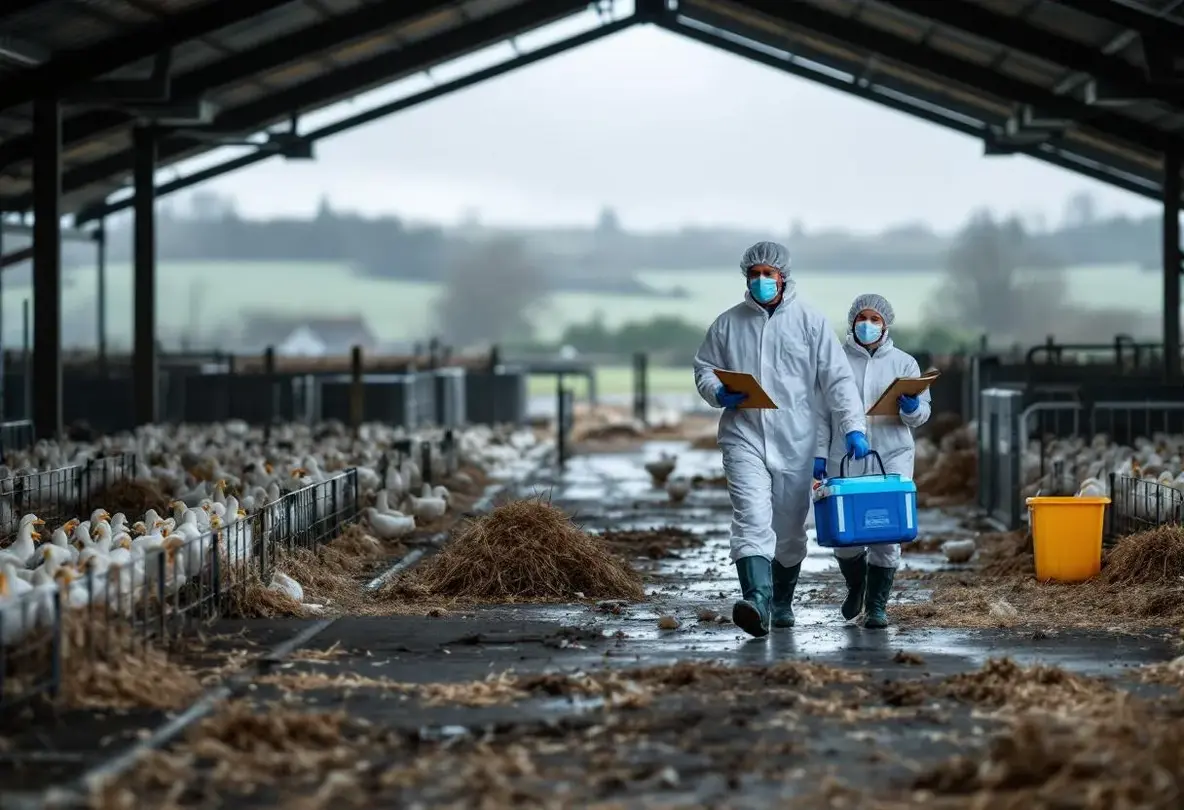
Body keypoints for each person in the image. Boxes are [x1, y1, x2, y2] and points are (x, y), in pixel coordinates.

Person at [693, 241, 870, 639]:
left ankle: (780, 601)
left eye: (767, 274)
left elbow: (837, 380)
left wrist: (853, 426)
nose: (760, 281)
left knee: (789, 531)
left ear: (783, 277)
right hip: (744, 434)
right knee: (752, 518)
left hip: (798, 441)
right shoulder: (727, 324)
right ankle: (756, 599)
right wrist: (718, 393)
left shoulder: (810, 322)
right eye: (753, 274)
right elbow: (704, 367)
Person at [814, 293, 931, 629]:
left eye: (875, 319)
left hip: (892, 454)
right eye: (862, 318)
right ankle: (857, 585)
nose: (867, 325)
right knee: (845, 534)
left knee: (886, 530)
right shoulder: (835, 361)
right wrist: (819, 455)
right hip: (845, 456)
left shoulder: (905, 363)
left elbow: (922, 414)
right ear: (852, 321)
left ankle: (877, 607)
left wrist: (911, 409)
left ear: (885, 324)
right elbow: (821, 415)